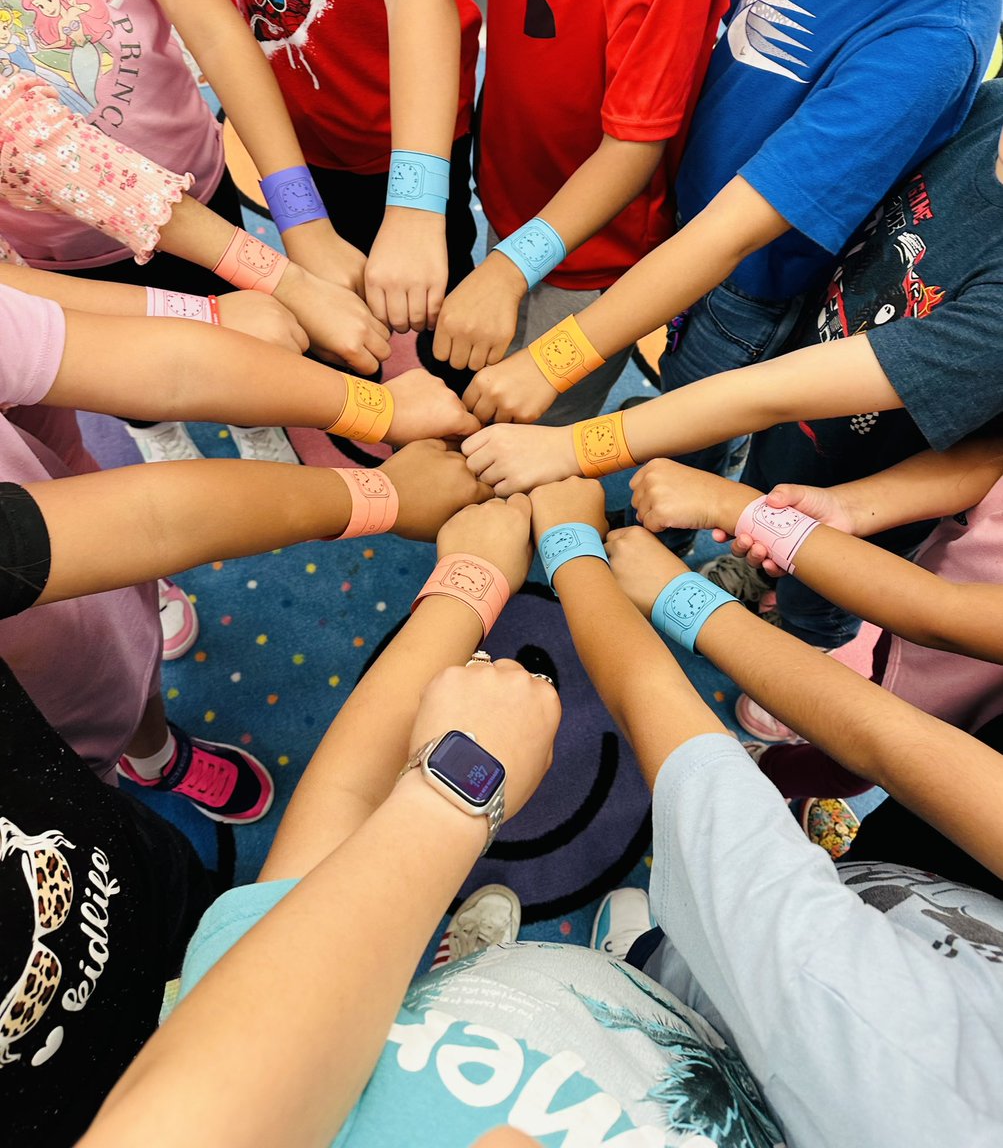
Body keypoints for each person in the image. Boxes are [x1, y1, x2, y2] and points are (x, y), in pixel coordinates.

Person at [76, 497, 781, 1148]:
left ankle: (504, 969)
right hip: (735, 1063)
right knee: (682, 979)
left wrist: (469, 582)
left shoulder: (218, 1094)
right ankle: (630, 965)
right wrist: (459, 782)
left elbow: (339, 812)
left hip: (441, 1000)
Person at [0, 436, 489, 1147]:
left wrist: (383, 495)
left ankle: (157, 764)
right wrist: (458, 797)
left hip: (123, 866)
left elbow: (144, 519)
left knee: (207, 905)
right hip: (137, 1096)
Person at [529, 476, 1003, 1146]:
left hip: (779, 989)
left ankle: (628, 968)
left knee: (664, 996)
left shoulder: (885, 1050)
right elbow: (899, 743)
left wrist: (571, 549)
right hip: (904, 897)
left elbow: (692, 762)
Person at [461, 79, 1003, 651]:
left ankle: (802, 649)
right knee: (768, 503)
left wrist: (572, 446)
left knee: (819, 596)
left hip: (875, 486)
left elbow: (767, 392)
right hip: (801, 426)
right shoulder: (988, 107)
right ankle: (757, 574)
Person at [458, 0, 1001, 459]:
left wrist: (555, 363)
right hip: (685, 220)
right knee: (673, 392)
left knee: (685, 445)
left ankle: (673, 528)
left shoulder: (935, 35)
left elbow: (732, 234)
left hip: (747, 289)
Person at [0, 278, 479, 818]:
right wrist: (385, 495)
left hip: (103, 601)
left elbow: (167, 367)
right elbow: (154, 521)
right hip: (42, 738)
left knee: (130, 665)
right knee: (90, 817)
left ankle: (156, 754)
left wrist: (378, 409)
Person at [1, 0, 390, 460]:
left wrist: (304, 223)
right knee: (125, 367)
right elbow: (32, 142)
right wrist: (285, 277)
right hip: (56, 254)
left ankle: (253, 420)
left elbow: (214, 29)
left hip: (197, 188)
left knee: (248, 343)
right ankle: (152, 428)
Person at [628, 444, 1003, 897]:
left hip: (954, 795)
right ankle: (769, 767)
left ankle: (766, 786)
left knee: (864, 776)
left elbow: (902, 743)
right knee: (877, 720)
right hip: (929, 650)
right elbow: (937, 612)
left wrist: (683, 590)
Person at [429, 0, 729, 418]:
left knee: (538, 426)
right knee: (489, 383)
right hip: (512, 195)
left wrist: (509, 267)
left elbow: (634, 146)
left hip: (594, 244)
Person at [215, 0, 482, 336]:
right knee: (338, 285)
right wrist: (301, 216)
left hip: (414, 129)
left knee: (443, 277)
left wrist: (415, 205)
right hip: (301, 130)